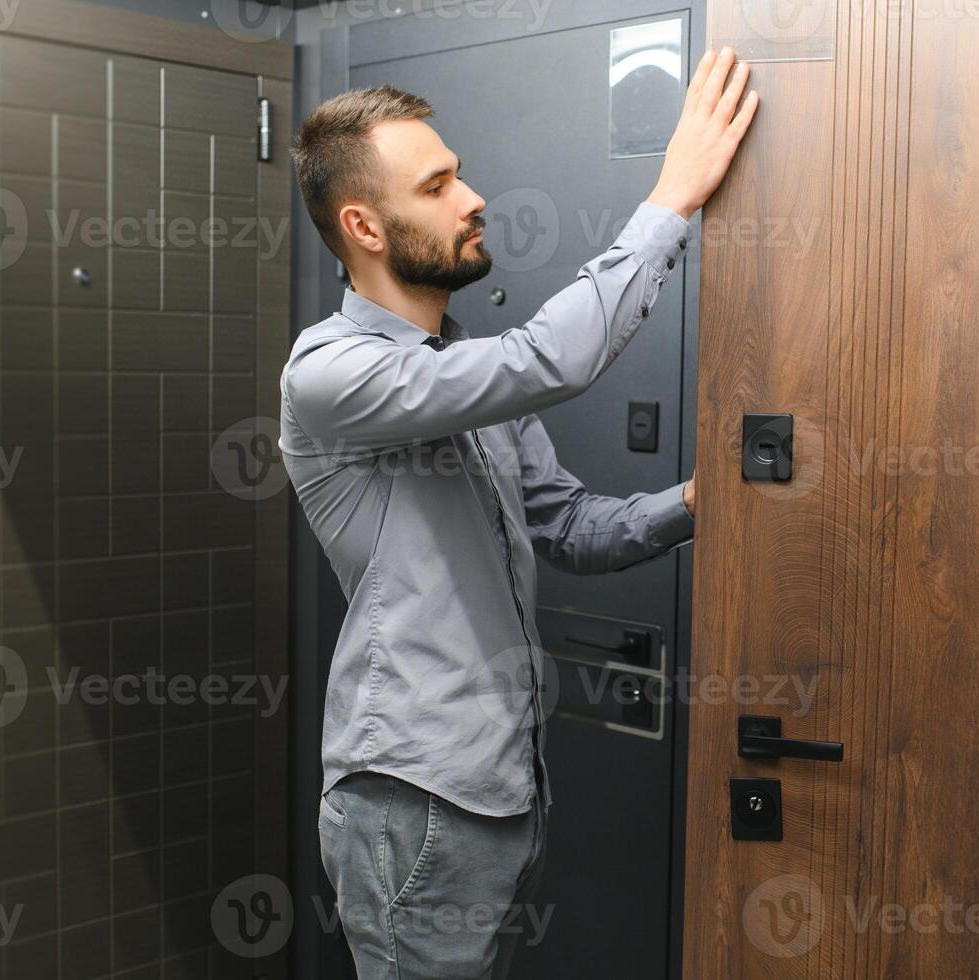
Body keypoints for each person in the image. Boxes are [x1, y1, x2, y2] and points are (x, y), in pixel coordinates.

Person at [282, 45, 758, 979]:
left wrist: (704, 503)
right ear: (363, 225)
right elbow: (553, 359)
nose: (473, 198)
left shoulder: (466, 379)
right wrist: (672, 201)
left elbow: (571, 528)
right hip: (412, 796)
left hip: (503, 789)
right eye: (439, 184)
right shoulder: (330, 373)